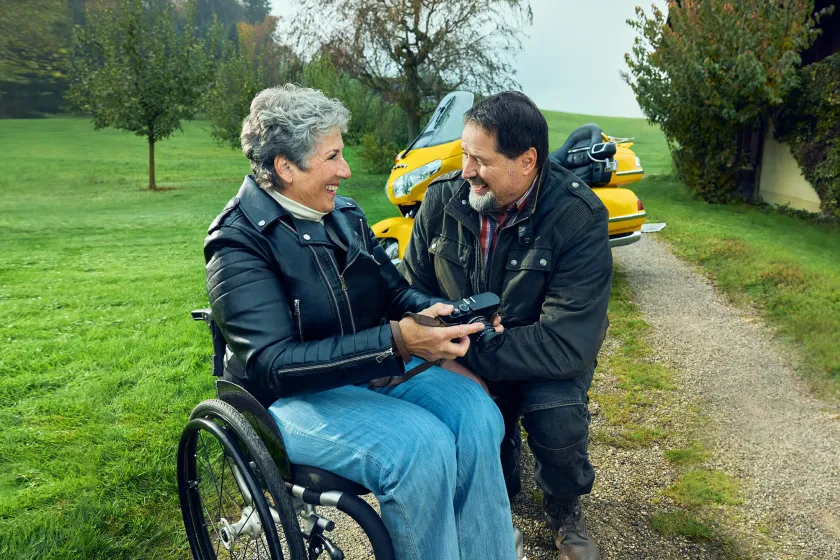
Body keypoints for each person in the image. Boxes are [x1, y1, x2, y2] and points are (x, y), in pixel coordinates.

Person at [203, 84, 517, 560]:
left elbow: (392, 292)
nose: (345, 171)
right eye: (332, 157)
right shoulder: (238, 242)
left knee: (476, 413)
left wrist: (437, 314)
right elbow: (273, 365)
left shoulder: (344, 215)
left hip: (372, 369)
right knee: (421, 446)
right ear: (285, 167)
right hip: (286, 401)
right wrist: (397, 342)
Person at [400, 91, 612, 560]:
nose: (467, 170)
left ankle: (564, 507)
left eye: (481, 160)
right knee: (470, 426)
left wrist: (466, 348)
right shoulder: (440, 201)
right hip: (461, 349)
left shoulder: (579, 217)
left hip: (540, 356)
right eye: (464, 155)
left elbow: (567, 343)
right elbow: (407, 291)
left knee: (556, 424)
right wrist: (440, 338)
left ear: (527, 161)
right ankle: (499, 501)